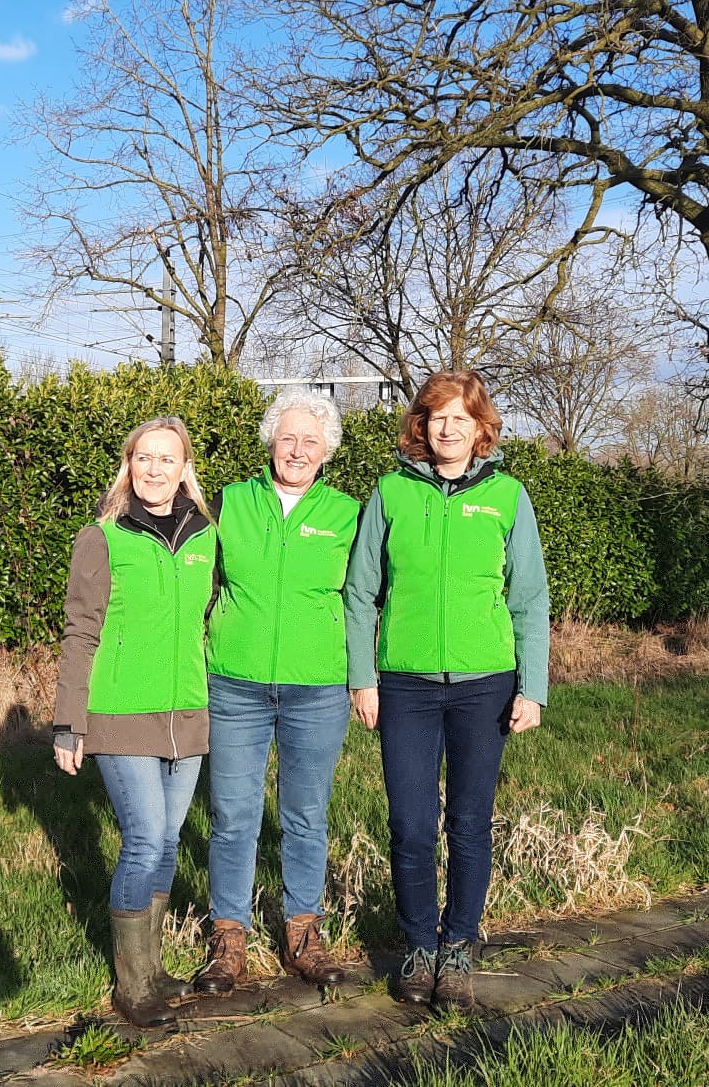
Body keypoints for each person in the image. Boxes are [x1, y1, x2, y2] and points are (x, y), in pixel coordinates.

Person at [343, 370, 550, 1011]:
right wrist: (362, 677)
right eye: (437, 418)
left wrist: (532, 687)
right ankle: (418, 947)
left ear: (480, 427)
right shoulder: (389, 493)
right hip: (404, 684)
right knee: (409, 824)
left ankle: (459, 944)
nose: (448, 428)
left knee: (468, 823)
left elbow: (530, 597)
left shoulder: (509, 496)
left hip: (485, 684)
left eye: (461, 417)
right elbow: (359, 592)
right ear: (421, 427)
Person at [52, 416, 217, 1029]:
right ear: (129, 465)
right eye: (143, 458)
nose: (154, 469)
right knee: (145, 838)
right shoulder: (102, 538)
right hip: (121, 710)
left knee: (169, 841)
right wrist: (70, 722)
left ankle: (151, 971)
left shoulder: (206, 535)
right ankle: (130, 986)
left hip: (188, 711)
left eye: (167, 459)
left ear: (184, 468)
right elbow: (80, 632)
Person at [194, 390, 360, 994]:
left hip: (317, 688)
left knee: (305, 816)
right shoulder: (230, 502)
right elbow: (196, 585)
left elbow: (368, 600)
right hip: (234, 685)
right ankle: (228, 939)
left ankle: (302, 932)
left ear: (327, 453)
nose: (297, 450)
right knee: (233, 815)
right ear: (270, 441)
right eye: (287, 438)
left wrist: (365, 679)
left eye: (310, 441)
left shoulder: (349, 514)